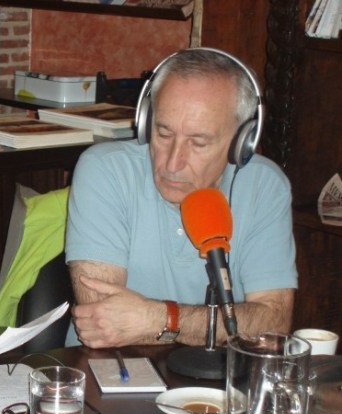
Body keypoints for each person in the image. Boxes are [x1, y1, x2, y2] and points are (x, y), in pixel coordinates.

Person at [65, 48, 297, 349]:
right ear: (146, 120)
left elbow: (274, 324)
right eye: (163, 134)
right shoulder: (105, 170)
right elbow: (103, 322)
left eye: (198, 143)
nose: (173, 163)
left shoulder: (265, 187)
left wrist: (160, 319)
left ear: (242, 141)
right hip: (117, 368)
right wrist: (212, 326)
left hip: (220, 374)